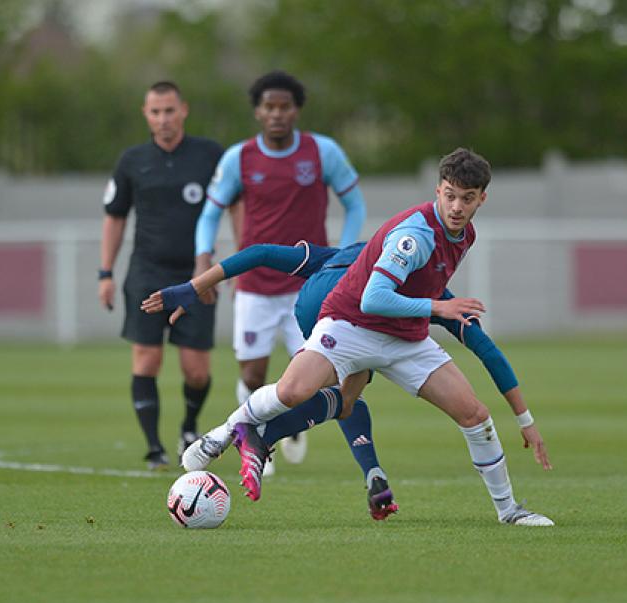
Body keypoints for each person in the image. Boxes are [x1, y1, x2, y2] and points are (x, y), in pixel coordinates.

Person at [181, 148, 555, 526]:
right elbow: (373, 297)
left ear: (481, 199)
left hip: (405, 338)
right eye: (450, 195)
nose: (457, 206)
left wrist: (526, 421)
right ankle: (222, 433)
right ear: (438, 190)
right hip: (351, 325)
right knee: (293, 392)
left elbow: (484, 347)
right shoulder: (415, 235)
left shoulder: (465, 234)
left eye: (467, 198)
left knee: (474, 414)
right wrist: (438, 308)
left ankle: (509, 511)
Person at [142, 238, 535, 521]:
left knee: (339, 397)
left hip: (318, 303)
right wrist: (524, 418)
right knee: (328, 392)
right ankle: (242, 433)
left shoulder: (356, 252)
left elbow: (260, 253)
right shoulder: (430, 291)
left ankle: (362, 472)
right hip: (347, 314)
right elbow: (486, 349)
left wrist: (193, 287)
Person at [192, 70, 367, 466]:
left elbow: (355, 204)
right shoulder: (239, 158)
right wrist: (204, 259)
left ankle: (278, 436)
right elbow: (209, 214)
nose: (276, 114)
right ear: (257, 111)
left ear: (296, 110)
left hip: (310, 286)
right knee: (253, 375)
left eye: (284, 106)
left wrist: (346, 254)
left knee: (315, 374)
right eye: (269, 106)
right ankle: (250, 436)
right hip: (255, 286)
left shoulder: (323, 152)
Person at [98, 81, 226, 470]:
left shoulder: (209, 156)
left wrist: (229, 267)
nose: (163, 119)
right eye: (155, 112)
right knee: (146, 360)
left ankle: (189, 427)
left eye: (169, 110)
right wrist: (105, 272)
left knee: (196, 369)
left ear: (183, 110)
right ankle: (154, 448)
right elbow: (115, 217)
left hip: (196, 274)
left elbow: (234, 206)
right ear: (145, 114)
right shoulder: (132, 160)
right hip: (147, 272)